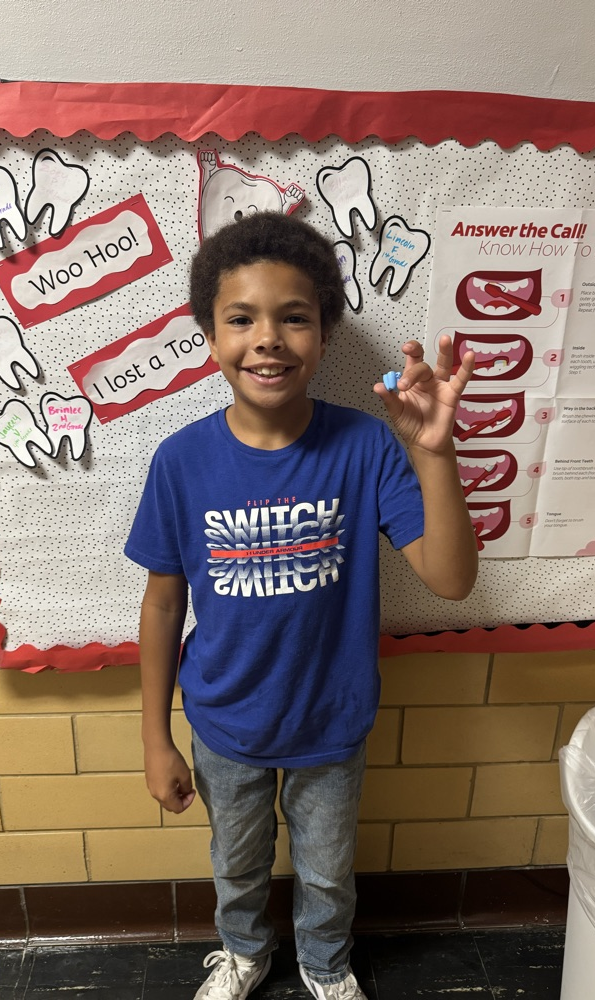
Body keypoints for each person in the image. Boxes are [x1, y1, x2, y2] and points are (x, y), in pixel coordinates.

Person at [125, 211, 478, 1000]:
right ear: (209, 336)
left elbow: (452, 579)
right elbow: (160, 607)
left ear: (324, 334)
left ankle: (325, 964)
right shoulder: (180, 462)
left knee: (327, 868)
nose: (269, 338)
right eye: (241, 318)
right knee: (237, 859)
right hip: (224, 722)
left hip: (332, 720)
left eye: (295, 318)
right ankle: (244, 952)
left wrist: (434, 452)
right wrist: (154, 739)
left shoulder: (365, 445)